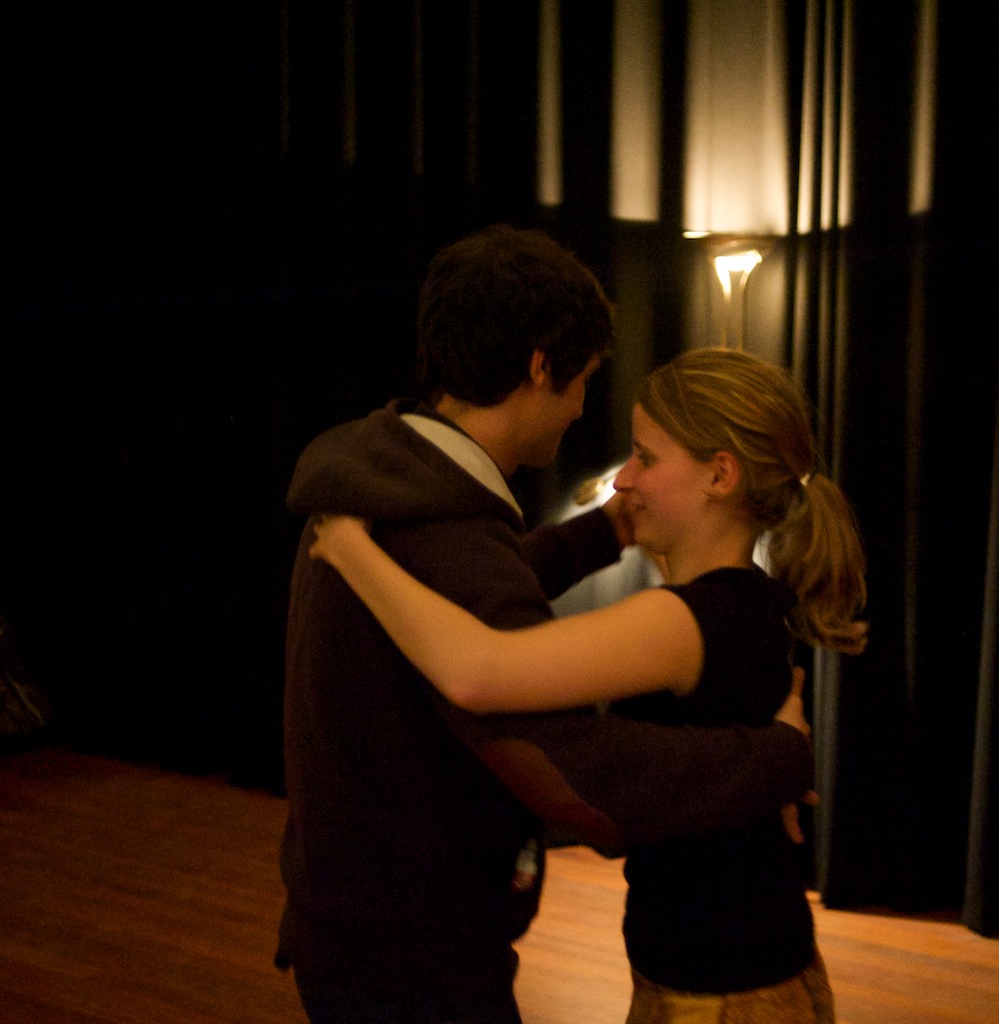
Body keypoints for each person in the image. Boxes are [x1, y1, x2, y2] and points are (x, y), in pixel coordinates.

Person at [276, 224, 818, 1024]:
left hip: (357, 929)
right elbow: (565, 759)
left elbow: (483, 607)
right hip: (414, 955)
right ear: (539, 367)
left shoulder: (376, 479)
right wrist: (777, 757)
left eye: (644, 457)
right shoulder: (449, 535)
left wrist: (597, 535)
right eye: (584, 380)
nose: (582, 413)